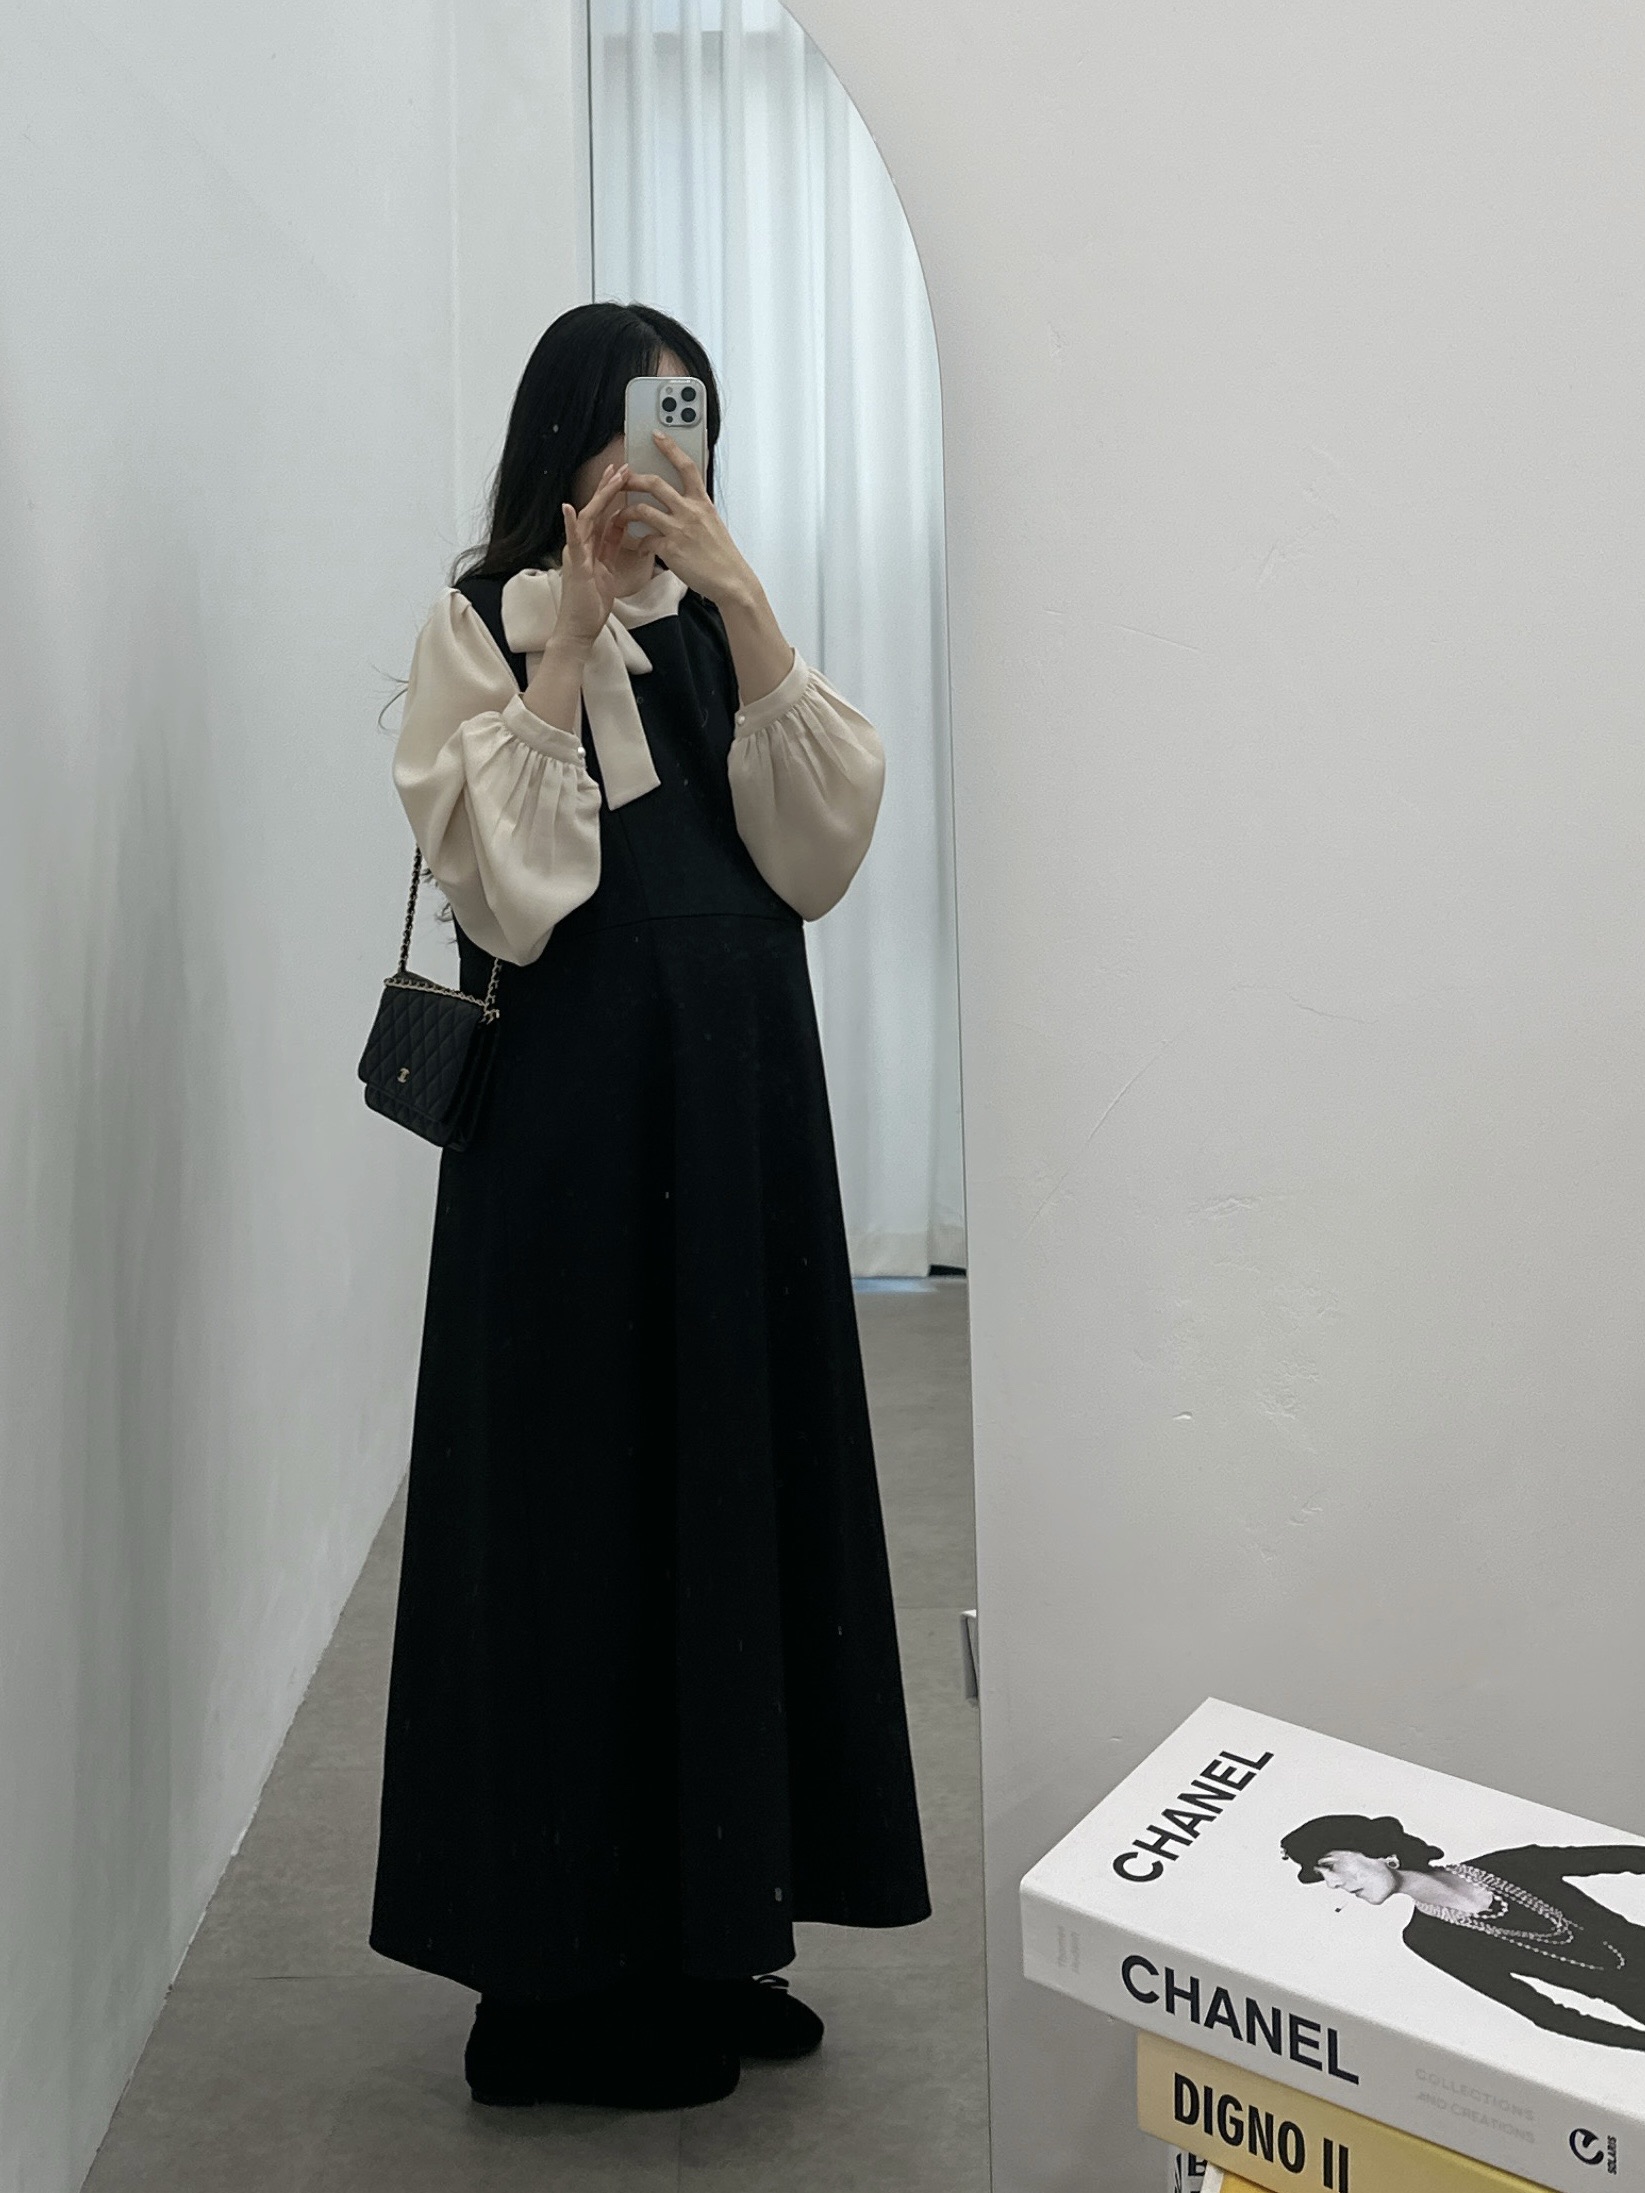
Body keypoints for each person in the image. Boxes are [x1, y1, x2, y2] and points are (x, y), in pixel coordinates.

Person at [367, 300, 931, 2110]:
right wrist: (568, 641)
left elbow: (817, 851)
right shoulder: (484, 620)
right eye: (632, 415)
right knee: (574, 1522)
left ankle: (709, 1930)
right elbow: (511, 890)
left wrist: (741, 599)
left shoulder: (718, 619)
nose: (659, 452)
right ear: (567, 434)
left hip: (738, 1129)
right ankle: (547, 1993)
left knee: (729, 1503)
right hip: (570, 1159)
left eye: (684, 416)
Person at [1282, 1812, 1645, 2047]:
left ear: (1372, 1849)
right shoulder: (1428, 1940)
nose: (1332, 1884)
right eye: (1322, 1877)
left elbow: (1629, 1858)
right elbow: (1545, 2014)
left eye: (1330, 1866)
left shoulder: (1510, 1864)